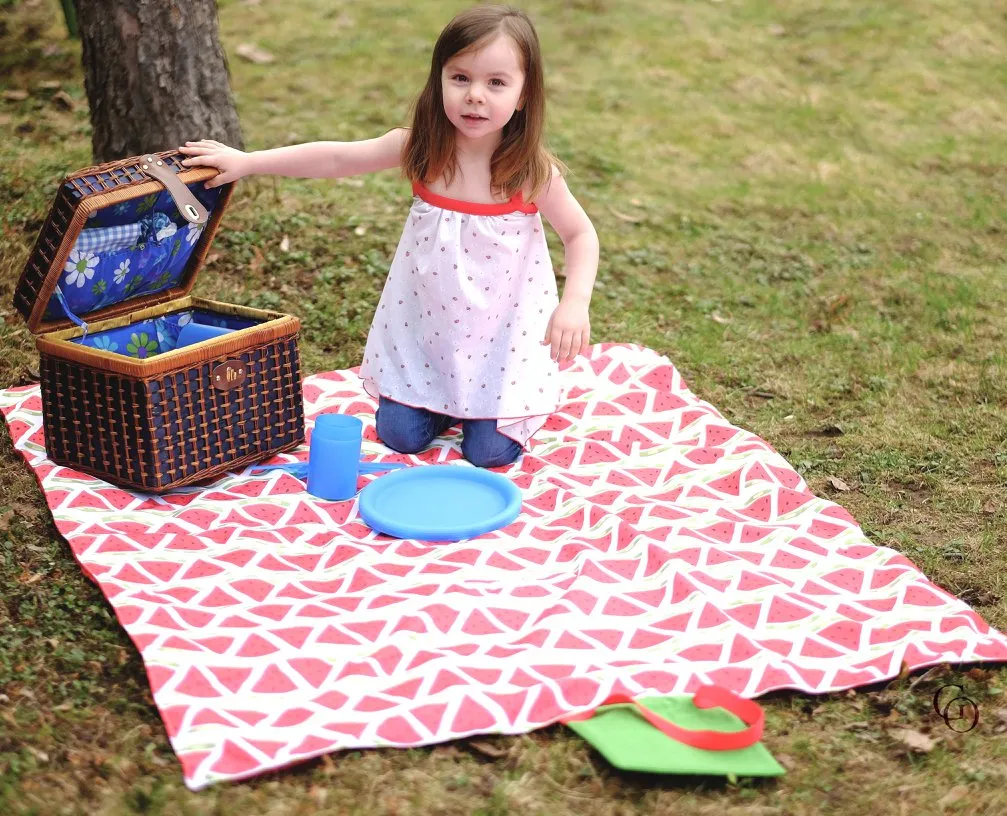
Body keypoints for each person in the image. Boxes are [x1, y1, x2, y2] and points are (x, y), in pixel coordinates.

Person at [179, 4, 599, 468]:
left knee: (490, 453)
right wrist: (249, 161)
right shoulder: (421, 147)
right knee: (400, 437)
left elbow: (580, 234)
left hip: (500, 338)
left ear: (523, 96)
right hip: (429, 332)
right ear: (438, 79)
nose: (475, 96)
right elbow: (337, 159)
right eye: (460, 78)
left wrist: (574, 302)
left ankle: (486, 409)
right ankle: (439, 400)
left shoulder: (529, 172)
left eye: (496, 83)